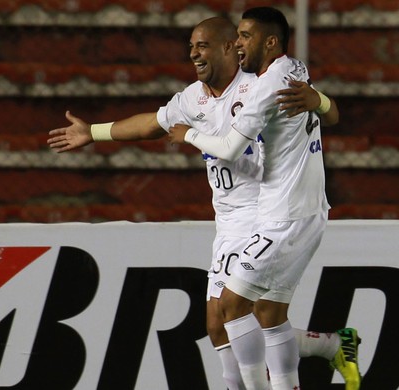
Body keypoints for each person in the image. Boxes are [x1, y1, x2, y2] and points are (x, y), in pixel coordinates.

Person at [49, 16, 360, 390]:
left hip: (260, 211)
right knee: (253, 318)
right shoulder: (191, 98)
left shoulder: (259, 85)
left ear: (230, 47)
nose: (194, 54)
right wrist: (94, 133)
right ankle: (330, 346)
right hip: (228, 218)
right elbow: (151, 124)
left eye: (203, 46)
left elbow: (307, 116)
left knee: (225, 316)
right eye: (191, 47)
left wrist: (320, 101)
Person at [167, 8, 360, 390]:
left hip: (285, 217)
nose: (239, 43)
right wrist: (319, 102)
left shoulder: (265, 87)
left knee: (232, 307)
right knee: (269, 315)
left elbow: (228, 147)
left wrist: (186, 135)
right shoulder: (295, 69)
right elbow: (333, 113)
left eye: (245, 36)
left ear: (269, 41)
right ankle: (332, 349)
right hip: (298, 212)